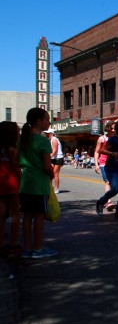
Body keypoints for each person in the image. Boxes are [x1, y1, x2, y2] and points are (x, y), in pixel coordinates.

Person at [18, 108, 56, 259]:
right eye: (47, 119)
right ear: (38, 121)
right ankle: (38, 248)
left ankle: (27, 248)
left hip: (25, 183)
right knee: (39, 217)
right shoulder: (43, 141)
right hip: (39, 184)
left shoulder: (22, 139)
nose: (49, 122)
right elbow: (47, 166)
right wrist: (51, 175)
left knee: (27, 216)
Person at [0, 121, 21, 254]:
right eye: (17, 131)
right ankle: (13, 241)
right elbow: (17, 169)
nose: (19, 134)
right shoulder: (13, 150)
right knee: (15, 215)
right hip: (12, 184)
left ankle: (1, 241)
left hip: (1, 184)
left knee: (1, 215)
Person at [94, 122, 115, 211]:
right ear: (108, 129)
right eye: (112, 128)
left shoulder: (116, 139)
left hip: (114, 163)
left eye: (115, 128)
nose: (114, 130)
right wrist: (96, 164)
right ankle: (108, 201)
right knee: (107, 182)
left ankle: (104, 200)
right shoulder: (102, 139)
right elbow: (97, 151)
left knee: (115, 185)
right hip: (104, 163)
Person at [44, 129, 63, 194]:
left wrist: (48, 157)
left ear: (51, 133)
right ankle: (49, 188)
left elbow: (54, 150)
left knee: (55, 174)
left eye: (48, 133)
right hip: (53, 158)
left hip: (58, 158)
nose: (47, 135)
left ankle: (56, 189)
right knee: (50, 173)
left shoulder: (54, 139)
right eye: (46, 133)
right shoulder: (50, 140)